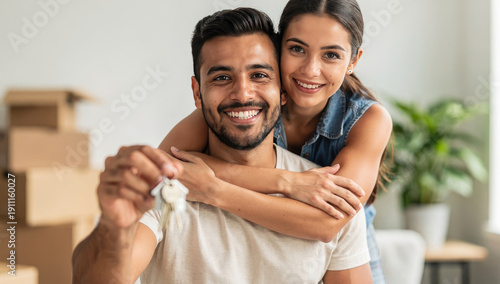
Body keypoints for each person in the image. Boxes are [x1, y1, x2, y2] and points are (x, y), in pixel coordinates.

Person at [72, 7, 371, 283]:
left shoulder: (330, 196)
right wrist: (113, 229)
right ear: (197, 93)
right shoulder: (165, 191)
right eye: (222, 77)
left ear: (283, 90)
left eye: (259, 75)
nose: (242, 93)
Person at [160, 0, 393, 282]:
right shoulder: (244, 104)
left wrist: (212, 189)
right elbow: (165, 167)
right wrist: (288, 182)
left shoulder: (367, 120)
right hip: (261, 234)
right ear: (279, 47)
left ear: (353, 61)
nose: (310, 69)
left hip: (344, 244)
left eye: (331, 55)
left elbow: (325, 225)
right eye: (297, 49)